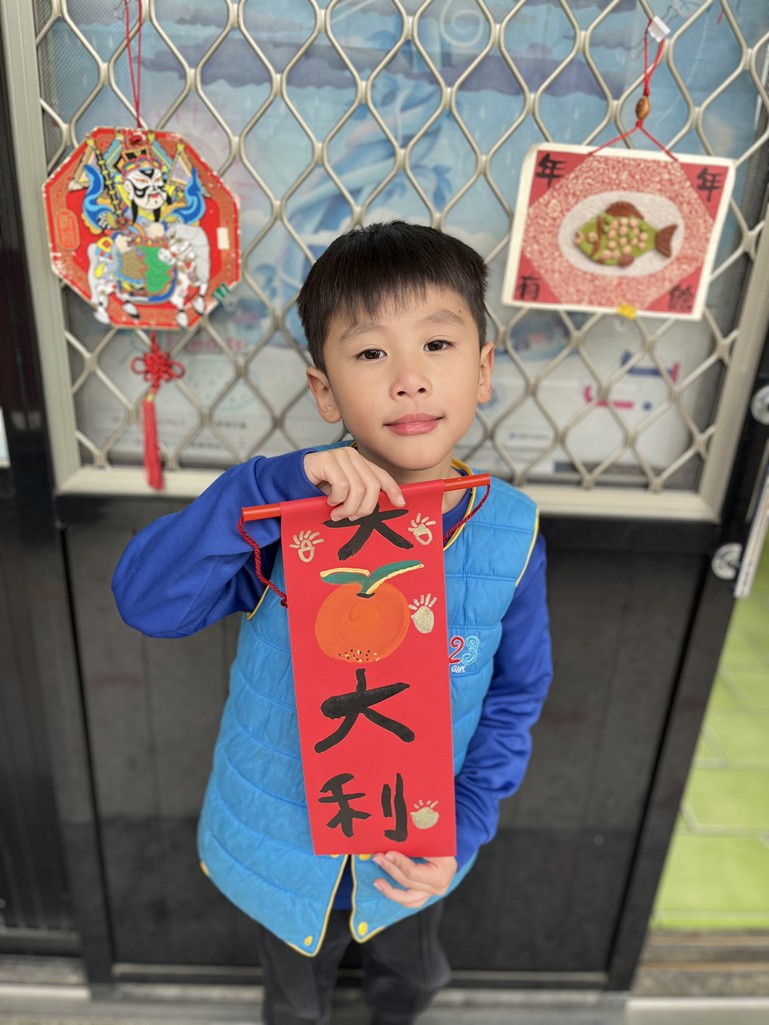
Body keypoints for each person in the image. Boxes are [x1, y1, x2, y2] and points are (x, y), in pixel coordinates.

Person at [112, 221, 552, 1025]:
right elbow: (147, 601)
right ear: (324, 391)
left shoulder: (509, 532)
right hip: (283, 846)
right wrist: (263, 488)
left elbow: (515, 693)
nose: (409, 379)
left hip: (414, 853)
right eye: (371, 352)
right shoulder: (283, 517)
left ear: (483, 369)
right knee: (293, 1003)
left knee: (411, 978)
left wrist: (463, 825)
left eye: (438, 345)